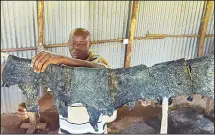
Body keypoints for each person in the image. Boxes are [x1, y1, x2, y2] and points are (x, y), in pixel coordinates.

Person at [17, 28, 116, 134]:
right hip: (67, 131)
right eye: (73, 43)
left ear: (90, 44)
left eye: (82, 43)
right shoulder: (61, 67)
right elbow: (51, 96)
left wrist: (63, 59)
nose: (76, 47)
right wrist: (31, 107)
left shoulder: (98, 62)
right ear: (68, 43)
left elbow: (103, 71)